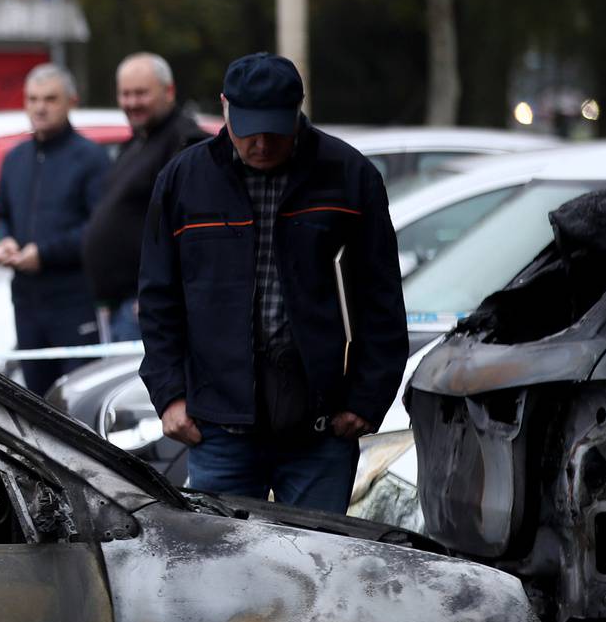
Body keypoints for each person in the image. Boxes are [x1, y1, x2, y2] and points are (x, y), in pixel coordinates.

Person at [137, 52, 406, 514]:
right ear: (224, 108)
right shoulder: (183, 180)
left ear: (299, 109)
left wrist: (367, 398)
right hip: (218, 426)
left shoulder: (349, 177)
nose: (261, 143)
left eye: (274, 129)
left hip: (320, 428)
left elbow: (380, 296)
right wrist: (169, 397)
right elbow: (159, 298)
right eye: (248, 128)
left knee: (320, 565)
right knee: (221, 570)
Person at [0, 63, 111, 394]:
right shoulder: (15, 158)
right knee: (37, 404)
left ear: (72, 101)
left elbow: (99, 230)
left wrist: (45, 254)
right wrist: (0, 242)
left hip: (73, 300)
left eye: (50, 99)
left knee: (78, 400)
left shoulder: (91, 158)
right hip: (27, 303)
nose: (40, 107)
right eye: (32, 99)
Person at [80, 53, 207, 343]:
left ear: (169, 91)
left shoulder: (185, 142)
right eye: (125, 94)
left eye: (141, 93)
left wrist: (164, 293)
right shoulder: (137, 141)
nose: (132, 102)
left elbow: (191, 228)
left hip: (150, 308)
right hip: (122, 307)